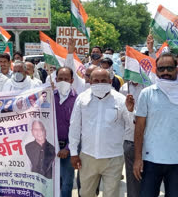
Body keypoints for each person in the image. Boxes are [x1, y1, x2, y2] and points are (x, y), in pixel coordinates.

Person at [69, 68, 134, 197]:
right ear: (90, 82)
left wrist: (131, 111)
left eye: (103, 81)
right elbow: (74, 126)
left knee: (111, 194)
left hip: (113, 158)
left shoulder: (121, 100)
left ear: (110, 81)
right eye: (96, 81)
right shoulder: (82, 98)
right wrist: (73, 153)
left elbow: (131, 128)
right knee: (86, 193)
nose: (99, 83)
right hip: (88, 157)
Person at [134, 53, 178, 196]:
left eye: (170, 68)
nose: (165, 72)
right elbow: (139, 129)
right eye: (161, 68)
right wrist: (138, 158)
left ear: (176, 69)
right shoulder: (147, 94)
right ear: (156, 70)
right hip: (151, 160)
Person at [55, 66, 77, 197]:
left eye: (66, 79)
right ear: (56, 79)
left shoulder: (78, 99)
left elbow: (78, 127)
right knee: (53, 181)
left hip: (69, 148)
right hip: (51, 147)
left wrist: (68, 148)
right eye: (60, 78)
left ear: (72, 80)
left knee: (67, 183)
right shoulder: (48, 98)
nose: (63, 81)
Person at [119, 81, 144, 197]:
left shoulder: (149, 87)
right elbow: (122, 115)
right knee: (133, 180)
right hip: (130, 139)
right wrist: (130, 111)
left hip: (149, 141)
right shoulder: (125, 88)